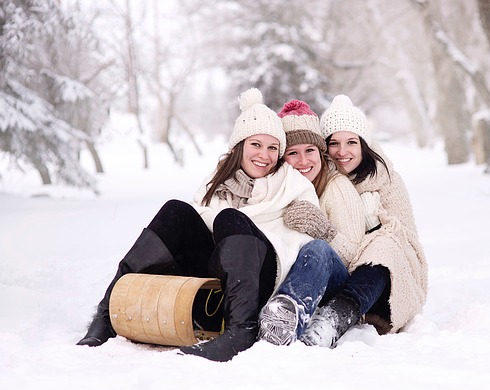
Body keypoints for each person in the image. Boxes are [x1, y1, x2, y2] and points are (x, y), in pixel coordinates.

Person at [76, 88, 318, 362]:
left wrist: (238, 224)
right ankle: (107, 314)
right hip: (217, 274)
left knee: (230, 218)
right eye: (256, 144)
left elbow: (301, 247)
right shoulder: (217, 181)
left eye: (273, 147)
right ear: (240, 146)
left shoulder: (293, 185)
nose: (264, 155)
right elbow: (201, 223)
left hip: (262, 277)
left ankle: (242, 330)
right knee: (175, 210)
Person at [299, 94, 429, 348]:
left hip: (383, 279)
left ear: (363, 144)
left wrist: (375, 223)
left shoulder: (386, 179)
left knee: (386, 244)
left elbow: (408, 240)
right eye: (334, 143)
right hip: (338, 270)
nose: (342, 152)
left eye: (351, 142)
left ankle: (333, 321)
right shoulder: (321, 178)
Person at [257, 99, 366, 345]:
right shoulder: (279, 188)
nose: (303, 160)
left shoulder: (336, 187)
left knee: (317, 250)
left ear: (320, 152)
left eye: (310, 151)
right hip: (288, 274)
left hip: (333, 283)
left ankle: (284, 320)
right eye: (293, 153)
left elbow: (355, 257)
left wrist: (324, 231)